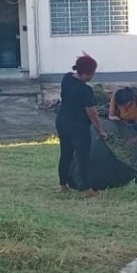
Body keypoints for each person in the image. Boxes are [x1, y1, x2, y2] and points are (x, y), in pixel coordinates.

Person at [56, 54, 108, 197]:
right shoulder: (86, 90)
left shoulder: (66, 78)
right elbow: (92, 114)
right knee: (82, 157)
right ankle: (87, 189)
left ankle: (63, 185)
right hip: (77, 126)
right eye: (92, 73)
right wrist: (101, 131)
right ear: (86, 73)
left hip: (62, 121)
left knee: (65, 154)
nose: (93, 76)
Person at [109, 87, 137, 153]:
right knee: (126, 146)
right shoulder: (115, 99)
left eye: (129, 105)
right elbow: (111, 115)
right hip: (124, 124)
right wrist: (115, 118)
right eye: (123, 107)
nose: (126, 109)